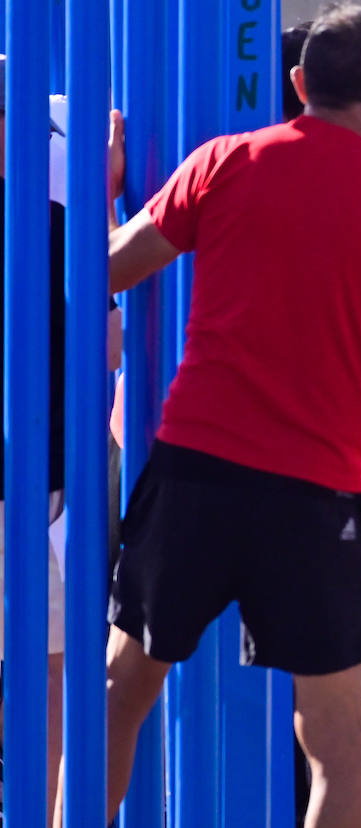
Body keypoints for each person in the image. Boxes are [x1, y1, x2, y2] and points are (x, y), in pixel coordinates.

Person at [84, 6, 361, 826]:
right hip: (312, 498)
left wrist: (104, 189)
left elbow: (107, 268)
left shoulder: (225, 162)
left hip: (195, 476)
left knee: (122, 689)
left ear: (298, 86)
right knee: (340, 743)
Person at [0, 54, 124, 827]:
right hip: (32, 475)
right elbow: (109, 349)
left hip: (31, 473)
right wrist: (103, 202)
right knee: (47, 670)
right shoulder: (53, 226)